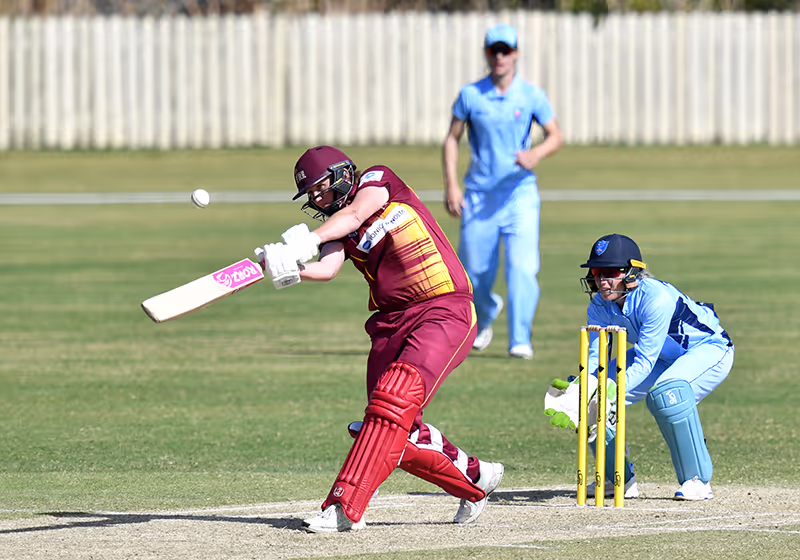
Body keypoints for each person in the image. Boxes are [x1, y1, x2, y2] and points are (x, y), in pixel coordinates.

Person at [255, 145, 504, 533]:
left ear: (342, 174)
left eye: (320, 188)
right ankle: (475, 478)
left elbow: (357, 213)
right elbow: (328, 268)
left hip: (443, 307)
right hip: (390, 324)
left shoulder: (378, 179)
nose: (318, 199)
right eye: (312, 195)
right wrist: (287, 267)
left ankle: (345, 507)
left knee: (392, 403)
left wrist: (307, 240)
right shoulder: (336, 228)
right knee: (390, 429)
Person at [544, 233, 734, 500]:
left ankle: (697, 480)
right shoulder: (599, 304)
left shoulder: (656, 298)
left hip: (707, 349)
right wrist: (584, 387)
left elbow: (644, 362)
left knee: (667, 394)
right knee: (590, 397)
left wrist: (610, 390)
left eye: (611, 272)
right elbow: (596, 359)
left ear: (632, 273)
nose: (602, 280)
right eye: (597, 273)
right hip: (660, 356)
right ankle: (617, 478)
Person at [442, 23, 563, 360]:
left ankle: (520, 339)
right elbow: (452, 139)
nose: (499, 56)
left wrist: (536, 154)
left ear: (515, 54)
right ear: (486, 54)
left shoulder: (531, 95)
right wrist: (451, 184)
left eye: (505, 50)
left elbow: (555, 135)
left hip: (519, 194)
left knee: (522, 269)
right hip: (479, 196)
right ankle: (485, 314)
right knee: (473, 272)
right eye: (493, 50)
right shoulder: (471, 95)